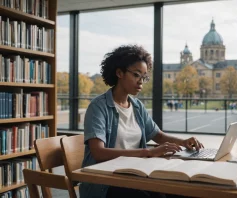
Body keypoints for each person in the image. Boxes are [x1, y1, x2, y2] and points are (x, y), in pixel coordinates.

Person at [80, 45, 204, 198]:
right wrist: (148, 152)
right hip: (105, 183)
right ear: (119, 73)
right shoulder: (98, 107)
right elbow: (99, 153)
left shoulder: (137, 105)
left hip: (135, 175)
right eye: (137, 75)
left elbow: (157, 135)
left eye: (144, 77)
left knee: (181, 191)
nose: (141, 82)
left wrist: (184, 142)